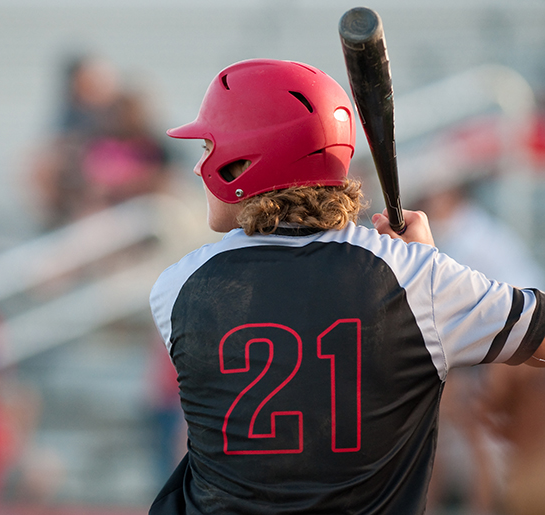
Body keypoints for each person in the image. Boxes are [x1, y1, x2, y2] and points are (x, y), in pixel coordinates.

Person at [148, 58, 545, 515]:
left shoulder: (177, 287)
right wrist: (432, 272)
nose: (199, 169)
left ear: (243, 161)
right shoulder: (412, 276)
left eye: (208, 149)